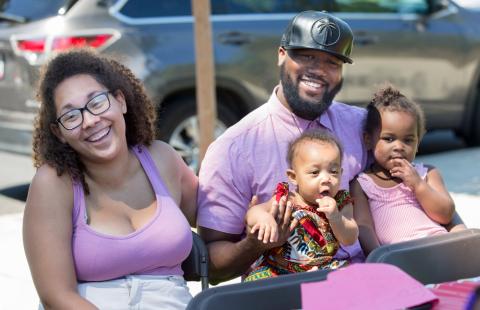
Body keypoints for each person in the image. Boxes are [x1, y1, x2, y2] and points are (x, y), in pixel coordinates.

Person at [197, 10, 368, 283]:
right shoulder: (233, 148)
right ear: (281, 54)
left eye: (332, 62)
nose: (319, 70)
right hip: (281, 290)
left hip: (356, 282)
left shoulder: (361, 127)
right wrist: (257, 243)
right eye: (306, 55)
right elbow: (211, 265)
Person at [23, 49, 198, 309]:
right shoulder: (54, 183)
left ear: (121, 101)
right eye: (71, 116)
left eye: (97, 102)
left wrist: (257, 214)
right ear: (59, 133)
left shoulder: (162, 158)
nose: (90, 121)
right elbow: (56, 296)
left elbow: (219, 220)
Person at [350, 85, 457, 255]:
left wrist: (418, 185)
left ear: (418, 142)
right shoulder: (363, 184)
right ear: (368, 140)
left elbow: (446, 215)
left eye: (408, 140)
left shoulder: (427, 173)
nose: (399, 146)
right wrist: (382, 258)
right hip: (398, 256)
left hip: (440, 248)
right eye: (389, 138)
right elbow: (363, 227)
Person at [243, 129, 358, 281]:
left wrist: (336, 217)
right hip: (279, 270)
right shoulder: (286, 199)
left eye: (333, 171)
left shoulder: (341, 203)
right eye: (315, 172)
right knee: (256, 281)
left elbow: (350, 237)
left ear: (341, 173)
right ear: (293, 177)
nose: (326, 179)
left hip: (324, 266)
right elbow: (253, 213)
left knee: (352, 277)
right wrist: (264, 218)